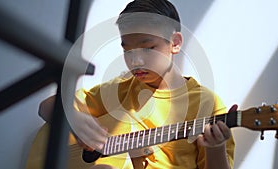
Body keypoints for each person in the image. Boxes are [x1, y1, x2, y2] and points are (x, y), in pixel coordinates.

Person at [39, 0, 235, 168]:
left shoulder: (206, 103)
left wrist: (215, 147)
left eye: (148, 48)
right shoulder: (119, 89)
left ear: (174, 43)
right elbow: (45, 107)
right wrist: (72, 118)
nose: (136, 61)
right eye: (128, 51)